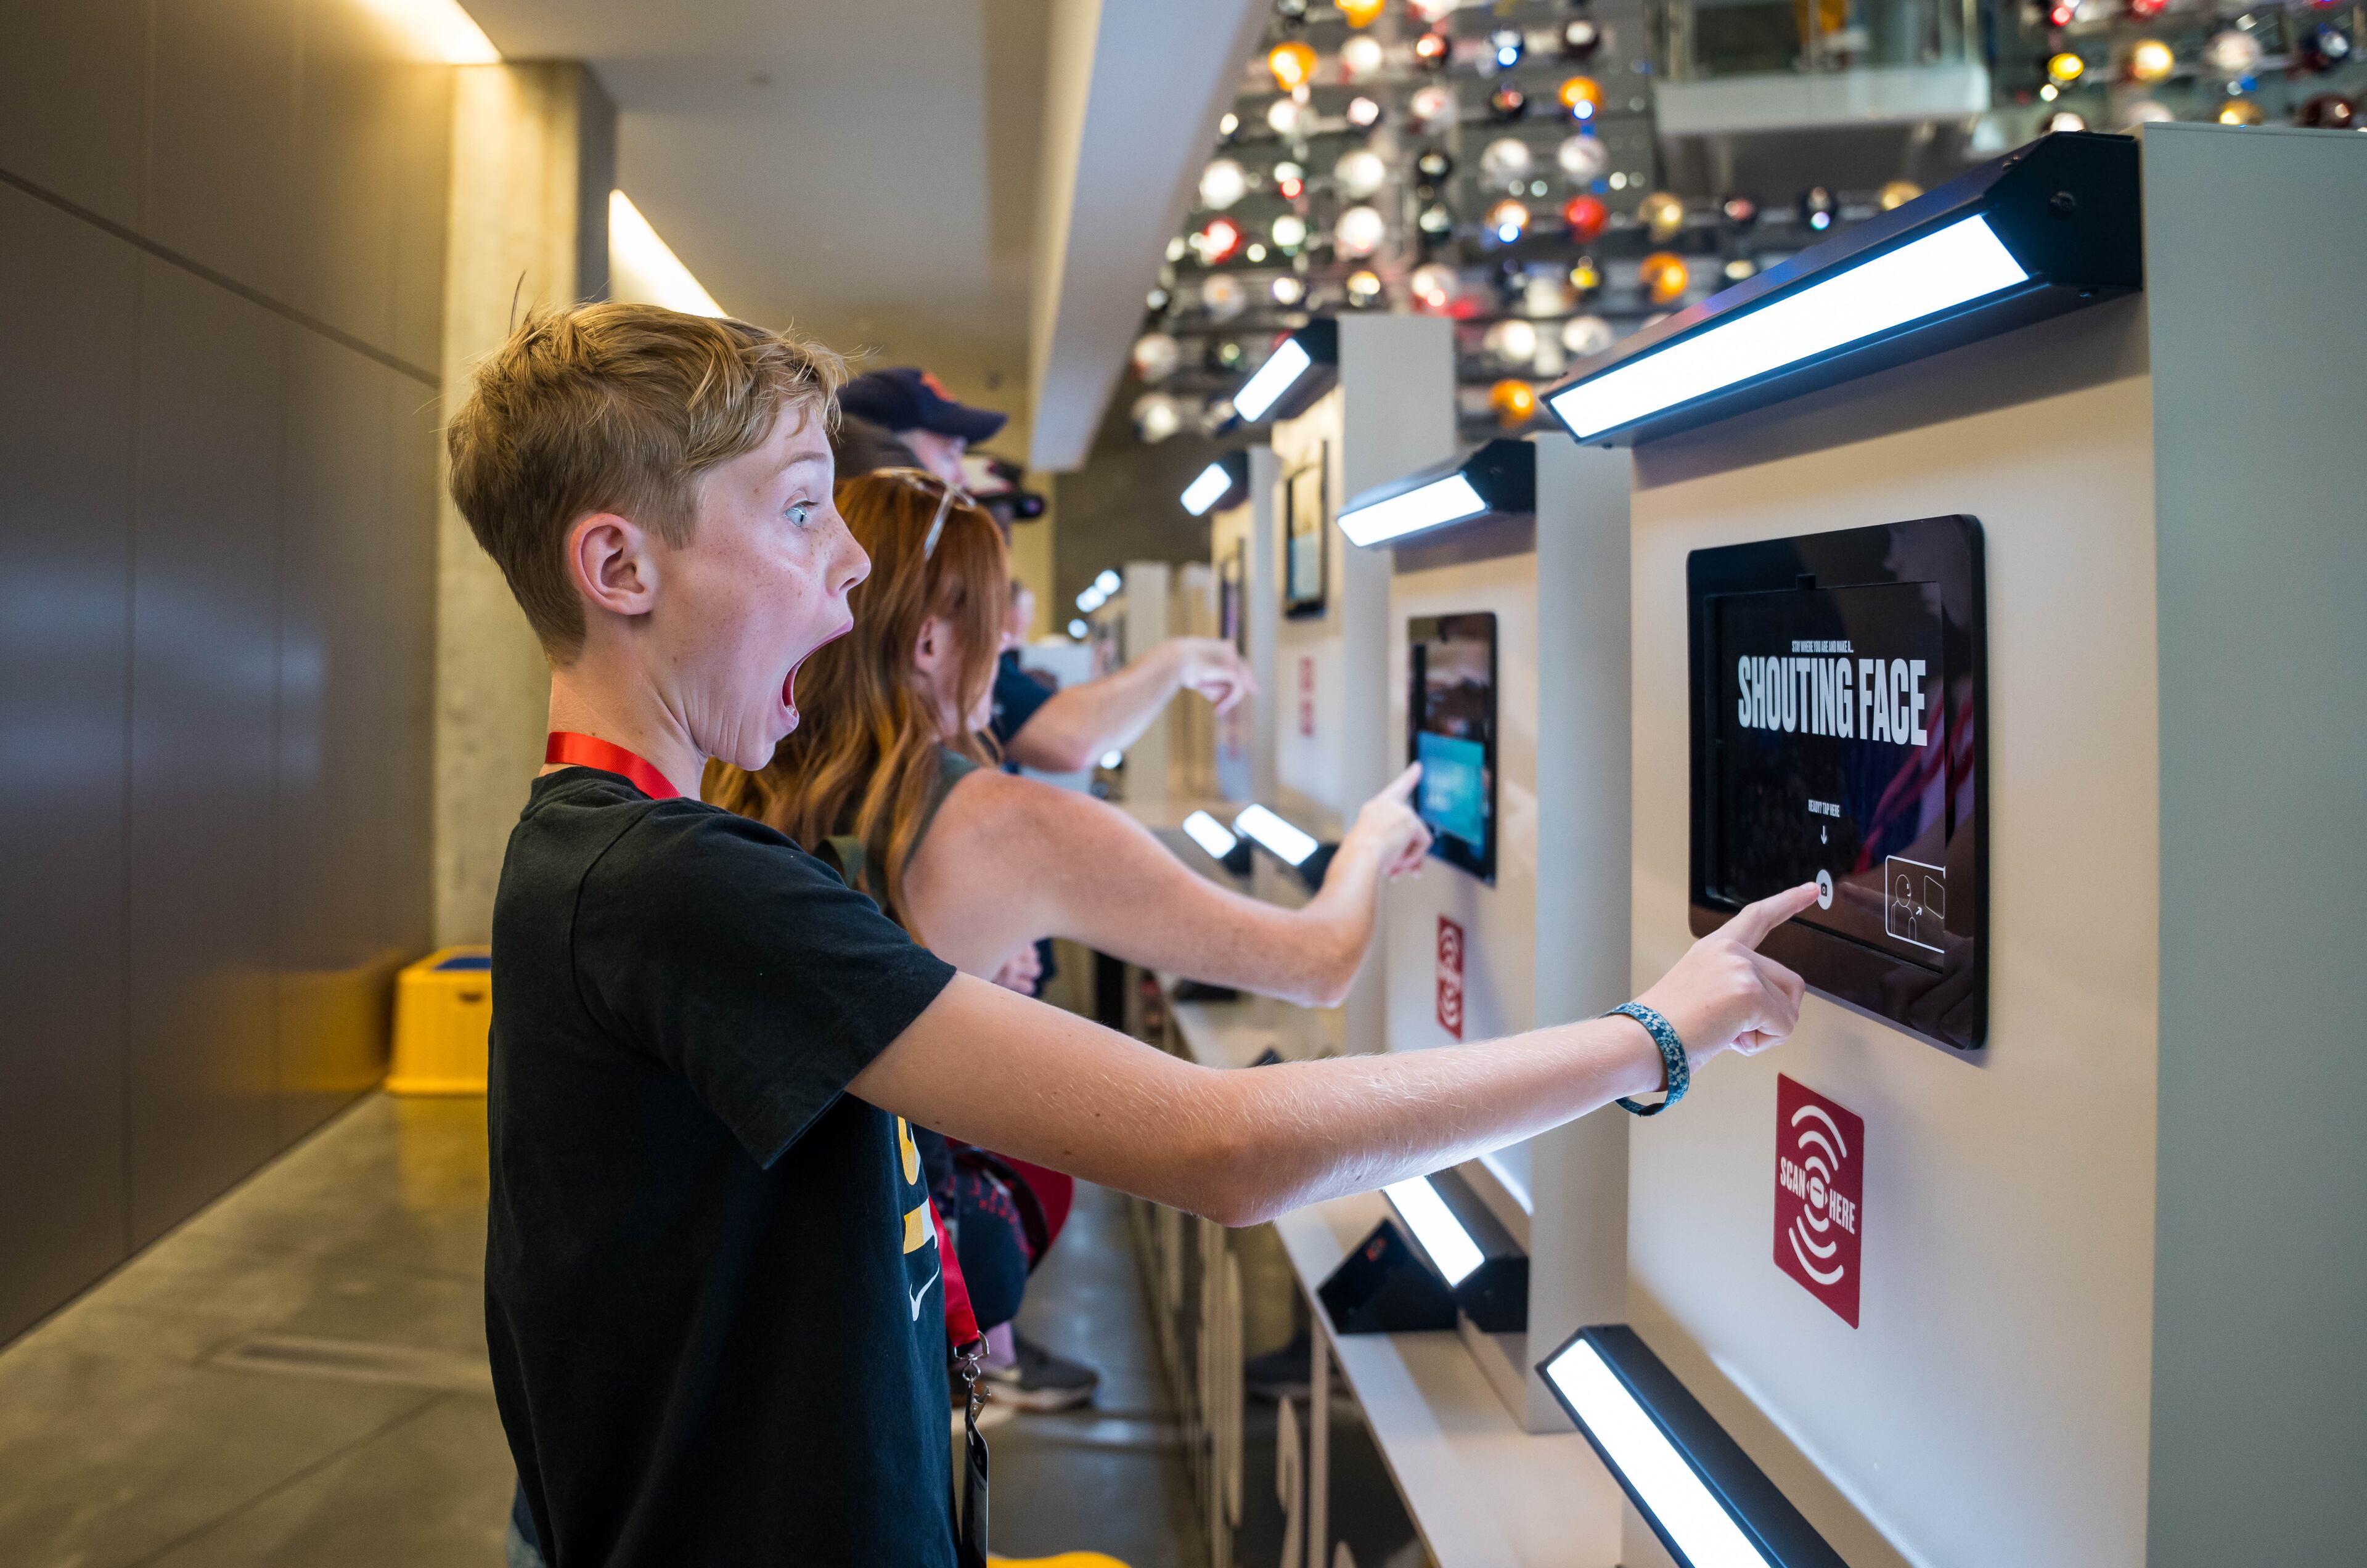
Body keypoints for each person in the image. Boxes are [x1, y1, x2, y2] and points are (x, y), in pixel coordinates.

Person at [449, 300, 1816, 1568]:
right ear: (619, 564)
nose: (851, 570)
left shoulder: (595, 852)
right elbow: (1229, 1149)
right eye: (805, 513)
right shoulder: (677, 885)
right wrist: (1657, 1034)